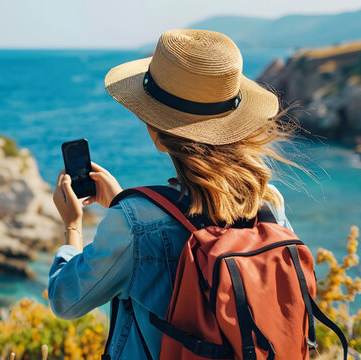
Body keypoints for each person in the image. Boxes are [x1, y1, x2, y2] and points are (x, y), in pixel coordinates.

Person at [48, 29, 301, 359]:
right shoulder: (268, 203)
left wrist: (73, 226)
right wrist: (121, 204)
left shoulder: (134, 222)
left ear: (157, 134)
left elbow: (66, 300)